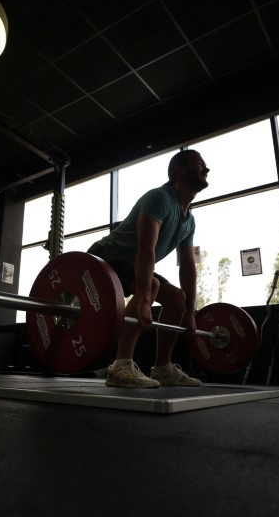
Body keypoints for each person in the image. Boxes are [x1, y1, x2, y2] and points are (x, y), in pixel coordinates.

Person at [87, 149, 209, 388]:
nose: (206, 169)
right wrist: (144, 296)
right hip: (105, 254)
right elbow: (146, 248)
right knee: (150, 285)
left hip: (135, 263)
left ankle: (162, 368)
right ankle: (120, 366)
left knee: (177, 298)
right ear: (180, 170)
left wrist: (190, 312)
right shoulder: (160, 198)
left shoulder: (189, 220)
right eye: (199, 164)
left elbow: (187, 266)